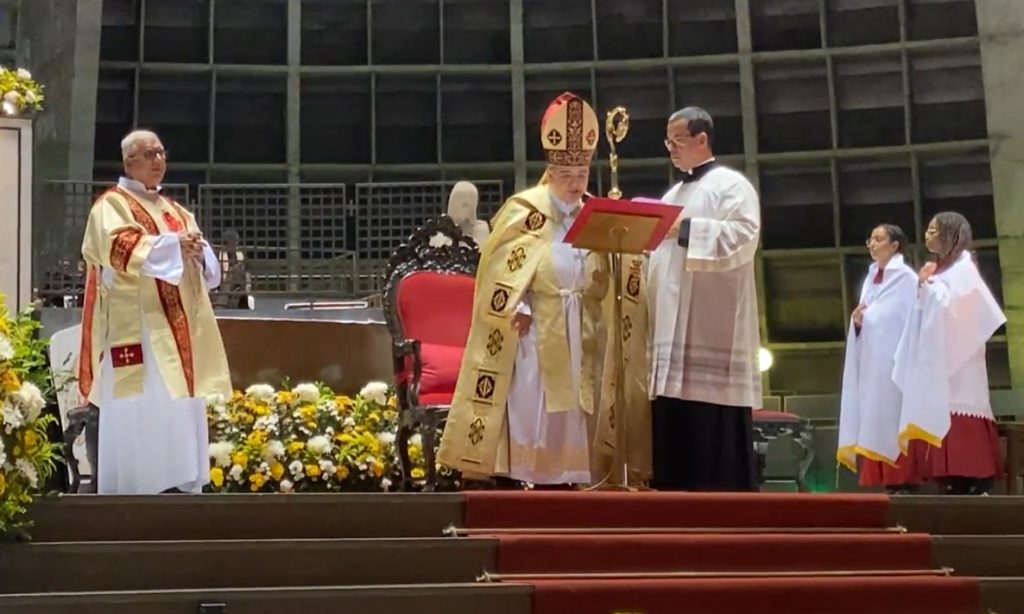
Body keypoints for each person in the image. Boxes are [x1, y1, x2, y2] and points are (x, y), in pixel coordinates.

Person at [437, 92, 609, 487]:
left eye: (582, 176)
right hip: (536, 322)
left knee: (574, 408)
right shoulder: (525, 210)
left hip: (579, 321)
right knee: (535, 400)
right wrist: (522, 303)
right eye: (567, 177)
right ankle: (525, 473)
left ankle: (570, 473)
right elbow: (503, 271)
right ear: (551, 173)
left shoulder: (594, 213)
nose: (575, 184)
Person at [79, 129, 232, 495]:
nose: (158, 161)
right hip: (137, 329)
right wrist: (174, 246)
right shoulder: (110, 205)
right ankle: (133, 487)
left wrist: (199, 253)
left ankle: (181, 482)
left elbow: (207, 265)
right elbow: (118, 247)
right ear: (129, 161)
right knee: (141, 406)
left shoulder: (176, 210)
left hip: (179, 331)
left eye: (162, 153)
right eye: (149, 154)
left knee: (177, 406)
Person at [646, 106, 762, 492]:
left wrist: (685, 229)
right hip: (668, 326)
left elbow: (744, 237)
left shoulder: (732, 186)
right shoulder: (671, 193)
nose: (672, 150)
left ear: (701, 139)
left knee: (710, 427)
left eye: (678, 141)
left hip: (713, 327)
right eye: (668, 142)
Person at [893, 212, 1005, 495]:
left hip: (961, 359)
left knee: (961, 410)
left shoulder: (964, 267)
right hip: (940, 357)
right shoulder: (939, 268)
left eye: (933, 230)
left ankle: (972, 475)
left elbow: (959, 305)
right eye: (927, 230)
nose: (927, 235)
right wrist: (925, 286)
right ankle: (947, 473)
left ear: (951, 235)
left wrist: (929, 287)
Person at [838, 224, 921, 494]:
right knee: (876, 416)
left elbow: (904, 318)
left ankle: (904, 480)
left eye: (878, 239)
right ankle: (887, 482)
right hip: (873, 362)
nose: (872, 244)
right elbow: (869, 315)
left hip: (896, 361)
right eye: (870, 239)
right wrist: (858, 322)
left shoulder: (906, 278)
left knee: (894, 418)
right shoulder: (871, 277)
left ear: (895, 245)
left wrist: (870, 318)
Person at [213, 229, 251, 309]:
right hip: (222, 287)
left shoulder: (241, 254)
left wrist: (247, 286)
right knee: (233, 271)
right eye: (232, 243)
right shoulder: (218, 255)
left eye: (236, 243)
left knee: (237, 269)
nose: (235, 245)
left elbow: (247, 274)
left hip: (239, 287)